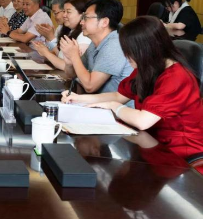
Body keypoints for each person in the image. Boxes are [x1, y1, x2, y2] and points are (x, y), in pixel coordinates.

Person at [62, 16, 203, 164]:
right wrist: (79, 98)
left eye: (129, 51)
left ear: (146, 49)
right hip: (150, 143)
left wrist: (114, 107)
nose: (126, 56)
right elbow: (118, 96)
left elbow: (142, 121)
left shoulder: (176, 77)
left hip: (180, 154)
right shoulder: (148, 68)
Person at [60, 0, 133, 93]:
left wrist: (74, 56)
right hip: (100, 100)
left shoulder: (114, 45)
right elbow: (72, 74)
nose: (81, 22)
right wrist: (69, 63)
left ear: (104, 22)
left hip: (114, 102)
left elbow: (90, 86)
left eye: (86, 18)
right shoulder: (94, 43)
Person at [34, 0, 91, 70]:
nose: (64, 15)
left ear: (82, 15)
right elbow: (61, 57)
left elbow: (71, 68)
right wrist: (45, 49)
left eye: (68, 12)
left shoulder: (84, 36)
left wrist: (46, 53)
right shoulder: (70, 31)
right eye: (64, 11)